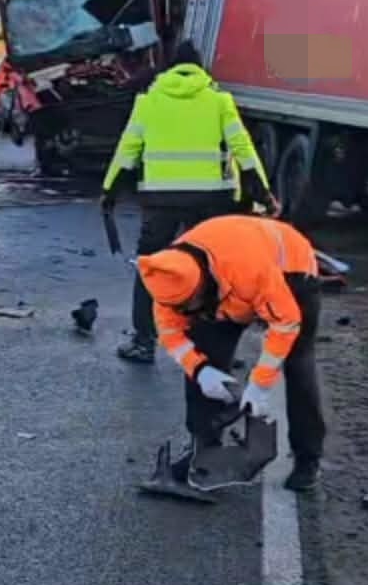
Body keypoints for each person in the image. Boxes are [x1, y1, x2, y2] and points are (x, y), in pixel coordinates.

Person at [101, 40, 277, 364]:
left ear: (169, 69)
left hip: (161, 201)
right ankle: (213, 347)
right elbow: (243, 148)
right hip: (211, 201)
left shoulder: (148, 102)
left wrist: (109, 192)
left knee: (151, 268)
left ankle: (143, 342)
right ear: (201, 69)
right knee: (214, 270)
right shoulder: (219, 101)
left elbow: (127, 150)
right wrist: (263, 193)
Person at [138, 213, 326, 492]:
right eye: (181, 308)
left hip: (291, 271)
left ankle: (308, 459)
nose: (186, 313)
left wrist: (260, 385)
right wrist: (201, 372)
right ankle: (203, 450)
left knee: (298, 362)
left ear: (202, 285)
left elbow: (285, 324)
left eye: (191, 305)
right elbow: (171, 335)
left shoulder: (250, 271)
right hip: (228, 285)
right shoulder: (167, 279)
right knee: (204, 351)